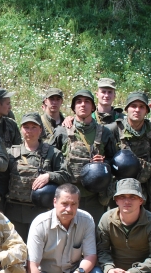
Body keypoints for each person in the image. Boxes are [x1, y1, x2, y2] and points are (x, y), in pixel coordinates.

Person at [25, 184, 105, 273]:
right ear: (55, 202)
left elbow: (90, 255)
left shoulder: (86, 220)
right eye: (64, 203)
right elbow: (32, 266)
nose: (69, 209)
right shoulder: (40, 224)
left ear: (78, 203)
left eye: (73, 204)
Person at [49, 89, 118, 224]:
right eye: (79, 102)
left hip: (94, 197)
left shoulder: (104, 132)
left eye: (87, 102)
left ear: (93, 107)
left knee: (92, 235)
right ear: (74, 107)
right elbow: (49, 159)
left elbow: (115, 162)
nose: (83, 105)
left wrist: (104, 162)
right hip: (67, 195)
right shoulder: (61, 132)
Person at [4, 113, 71, 241]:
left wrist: (49, 176)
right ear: (21, 129)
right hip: (14, 212)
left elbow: (66, 176)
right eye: (26, 127)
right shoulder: (11, 153)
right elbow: (1, 182)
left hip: (41, 214)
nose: (30, 131)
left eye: (34, 127)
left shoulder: (52, 153)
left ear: (40, 129)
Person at [113, 92, 151, 217]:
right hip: (118, 192)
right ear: (126, 109)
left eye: (141, 107)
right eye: (133, 106)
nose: (137, 110)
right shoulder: (113, 129)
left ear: (147, 110)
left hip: (143, 192)